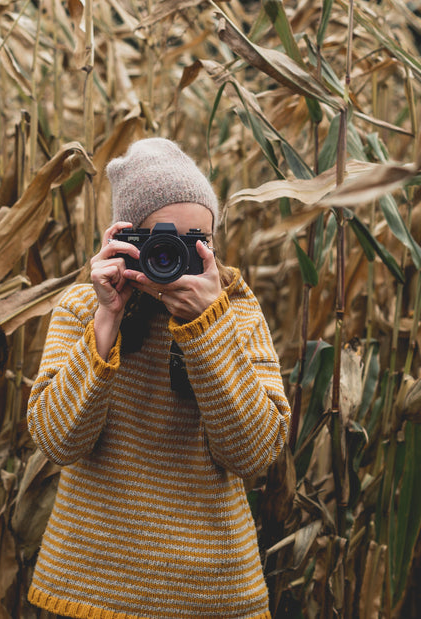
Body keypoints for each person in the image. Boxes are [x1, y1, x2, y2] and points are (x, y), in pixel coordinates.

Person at [26, 137, 291, 619]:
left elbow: (253, 453)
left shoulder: (238, 313)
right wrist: (106, 322)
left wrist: (206, 329)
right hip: (91, 583)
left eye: (197, 244)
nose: (177, 259)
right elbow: (58, 442)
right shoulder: (82, 308)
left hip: (211, 589)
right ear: (125, 240)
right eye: (162, 243)